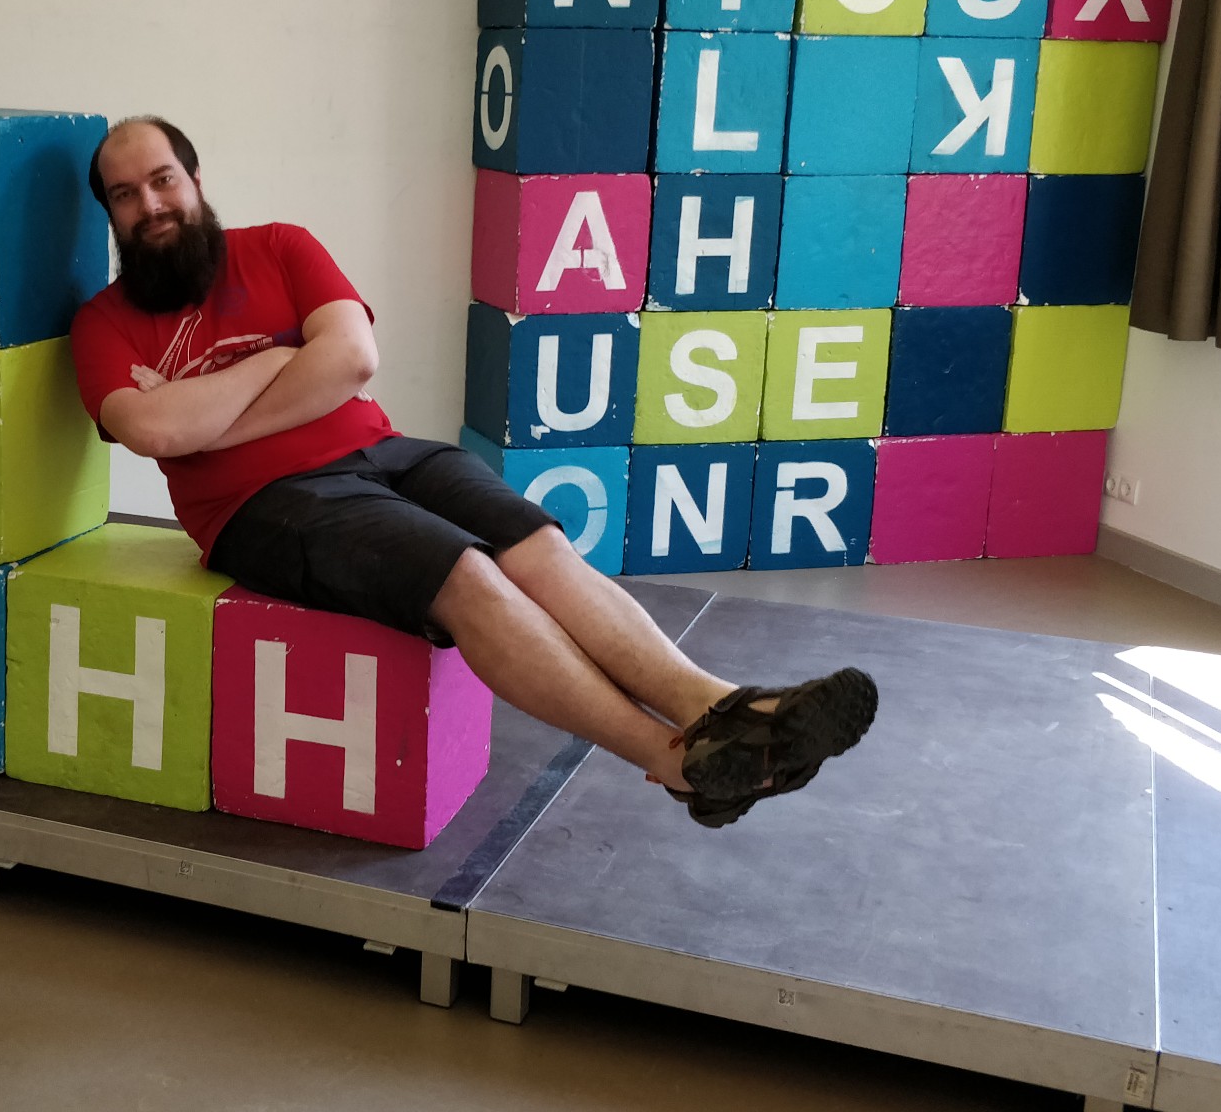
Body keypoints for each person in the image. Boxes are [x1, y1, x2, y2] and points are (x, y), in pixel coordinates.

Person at [68, 117, 875, 826]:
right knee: (470, 577)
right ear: (110, 212)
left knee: (539, 551)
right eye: (126, 194)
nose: (151, 206)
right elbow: (153, 432)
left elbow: (352, 359)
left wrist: (211, 411)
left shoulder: (279, 246)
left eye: (163, 180)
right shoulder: (102, 324)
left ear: (196, 181)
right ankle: (675, 759)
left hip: (387, 453)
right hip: (261, 504)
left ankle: (718, 705)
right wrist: (280, 361)